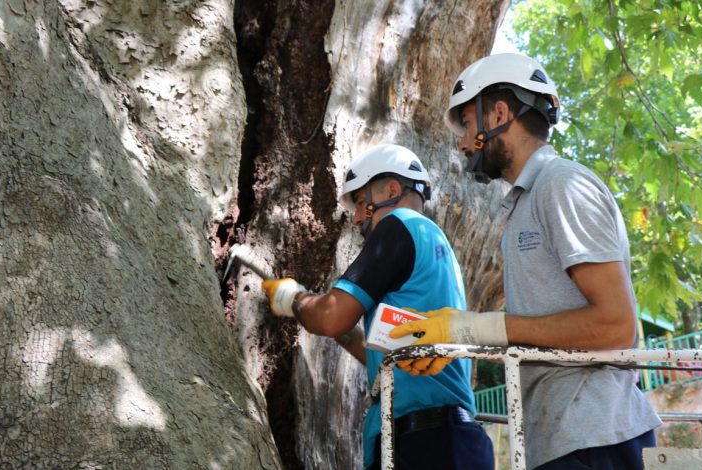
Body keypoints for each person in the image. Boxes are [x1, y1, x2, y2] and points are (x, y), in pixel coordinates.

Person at [390, 53, 662, 470]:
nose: (463, 143)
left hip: (596, 435)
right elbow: (540, 325)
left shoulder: (561, 184)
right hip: (560, 438)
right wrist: (459, 338)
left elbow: (616, 326)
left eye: (466, 123)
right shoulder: (524, 203)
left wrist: (472, 326)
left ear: (499, 112)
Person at [262, 143, 494, 469]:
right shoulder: (433, 245)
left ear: (392, 190)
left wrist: (293, 300)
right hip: (451, 440)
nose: (357, 218)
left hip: (423, 443)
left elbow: (330, 318)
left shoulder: (399, 224)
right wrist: (344, 335)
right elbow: (397, 349)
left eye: (360, 203)